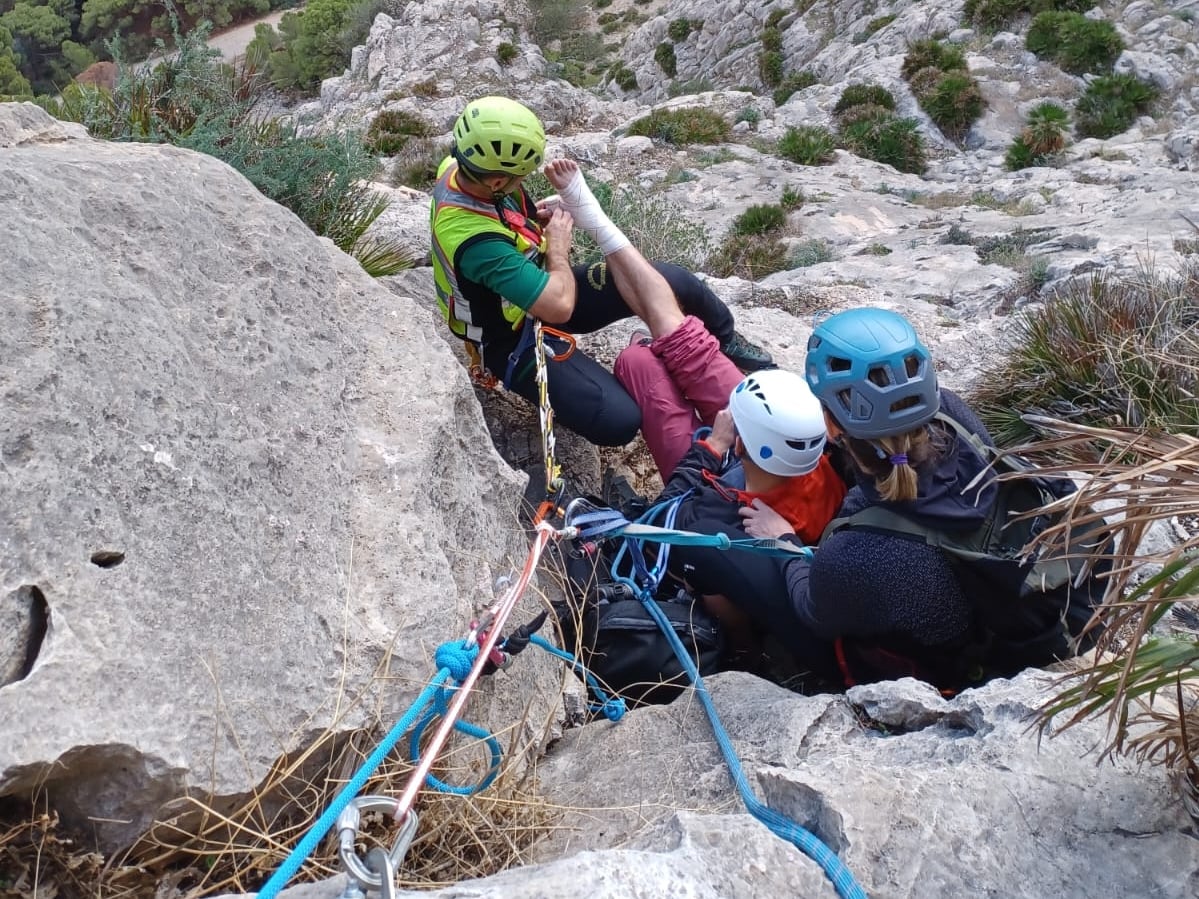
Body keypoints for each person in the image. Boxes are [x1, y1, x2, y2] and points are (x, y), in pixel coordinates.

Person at [739, 306, 1094, 691]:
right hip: (1012, 600)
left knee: (732, 565)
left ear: (829, 425)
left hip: (948, 667)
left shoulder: (856, 553)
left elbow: (813, 610)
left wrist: (786, 543)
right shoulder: (952, 415)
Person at [429, 95, 773, 448]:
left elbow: (507, 210)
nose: (523, 182)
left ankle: (726, 338)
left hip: (532, 285)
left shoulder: (460, 169)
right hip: (508, 336)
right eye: (519, 177)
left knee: (673, 280)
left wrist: (538, 216)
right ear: (498, 181)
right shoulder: (476, 242)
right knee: (618, 420)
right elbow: (559, 306)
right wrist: (558, 247)